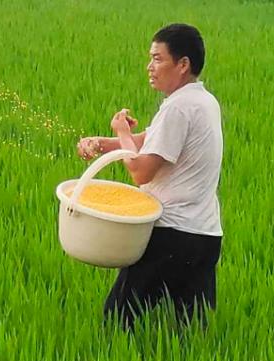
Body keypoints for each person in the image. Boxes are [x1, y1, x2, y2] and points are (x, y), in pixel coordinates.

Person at [77, 23, 223, 329]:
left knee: (117, 320)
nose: (150, 66)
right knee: (191, 331)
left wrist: (121, 131)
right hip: (205, 235)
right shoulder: (202, 101)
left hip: (171, 235)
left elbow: (141, 172)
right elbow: (151, 140)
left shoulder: (178, 108)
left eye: (158, 58)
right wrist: (108, 143)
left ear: (183, 64)